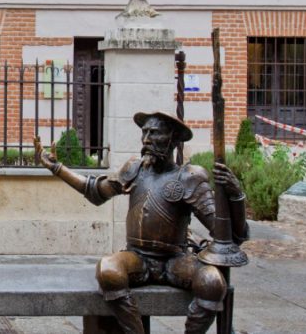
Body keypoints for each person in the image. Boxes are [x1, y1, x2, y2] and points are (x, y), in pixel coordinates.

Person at [35, 112, 248, 334]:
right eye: (144, 133)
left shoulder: (189, 177)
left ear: (173, 139)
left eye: (154, 133)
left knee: (212, 282)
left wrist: (236, 196)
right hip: (137, 257)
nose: (146, 140)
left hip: (176, 259)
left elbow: (228, 236)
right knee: (108, 270)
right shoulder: (134, 170)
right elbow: (96, 191)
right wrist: (57, 168)